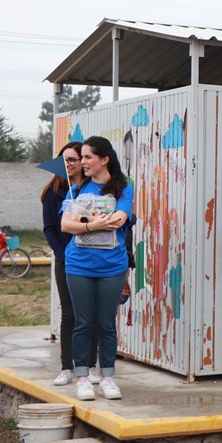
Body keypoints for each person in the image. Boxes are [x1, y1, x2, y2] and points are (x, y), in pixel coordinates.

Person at [61, 136, 133, 401]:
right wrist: (91, 224)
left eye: (88, 157)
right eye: (82, 158)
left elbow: (118, 219)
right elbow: (66, 226)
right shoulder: (77, 189)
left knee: (107, 324)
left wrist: (85, 218)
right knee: (83, 323)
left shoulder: (123, 188)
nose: (83, 162)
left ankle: (108, 378)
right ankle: (82, 379)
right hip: (78, 265)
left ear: (105, 159)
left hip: (112, 267)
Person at [42, 141, 101, 387]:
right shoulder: (52, 193)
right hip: (65, 261)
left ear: (83, 163)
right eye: (64, 160)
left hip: (91, 259)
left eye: (73, 159)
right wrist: (63, 255)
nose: (68, 164)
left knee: (92, 314)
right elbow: (49, 230)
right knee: (70, 314)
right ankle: (67, 367)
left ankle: (89, 365)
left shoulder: (94, 190)